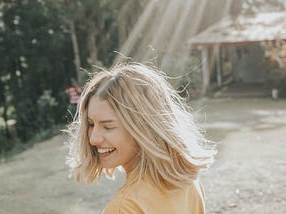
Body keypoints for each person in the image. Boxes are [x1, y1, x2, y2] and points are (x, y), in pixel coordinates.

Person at [66, 62, 216, 214]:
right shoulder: (187, 180)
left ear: (143, 128)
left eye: (108, 126)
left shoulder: (124, 207)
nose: (93, 139)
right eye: (91, 124)